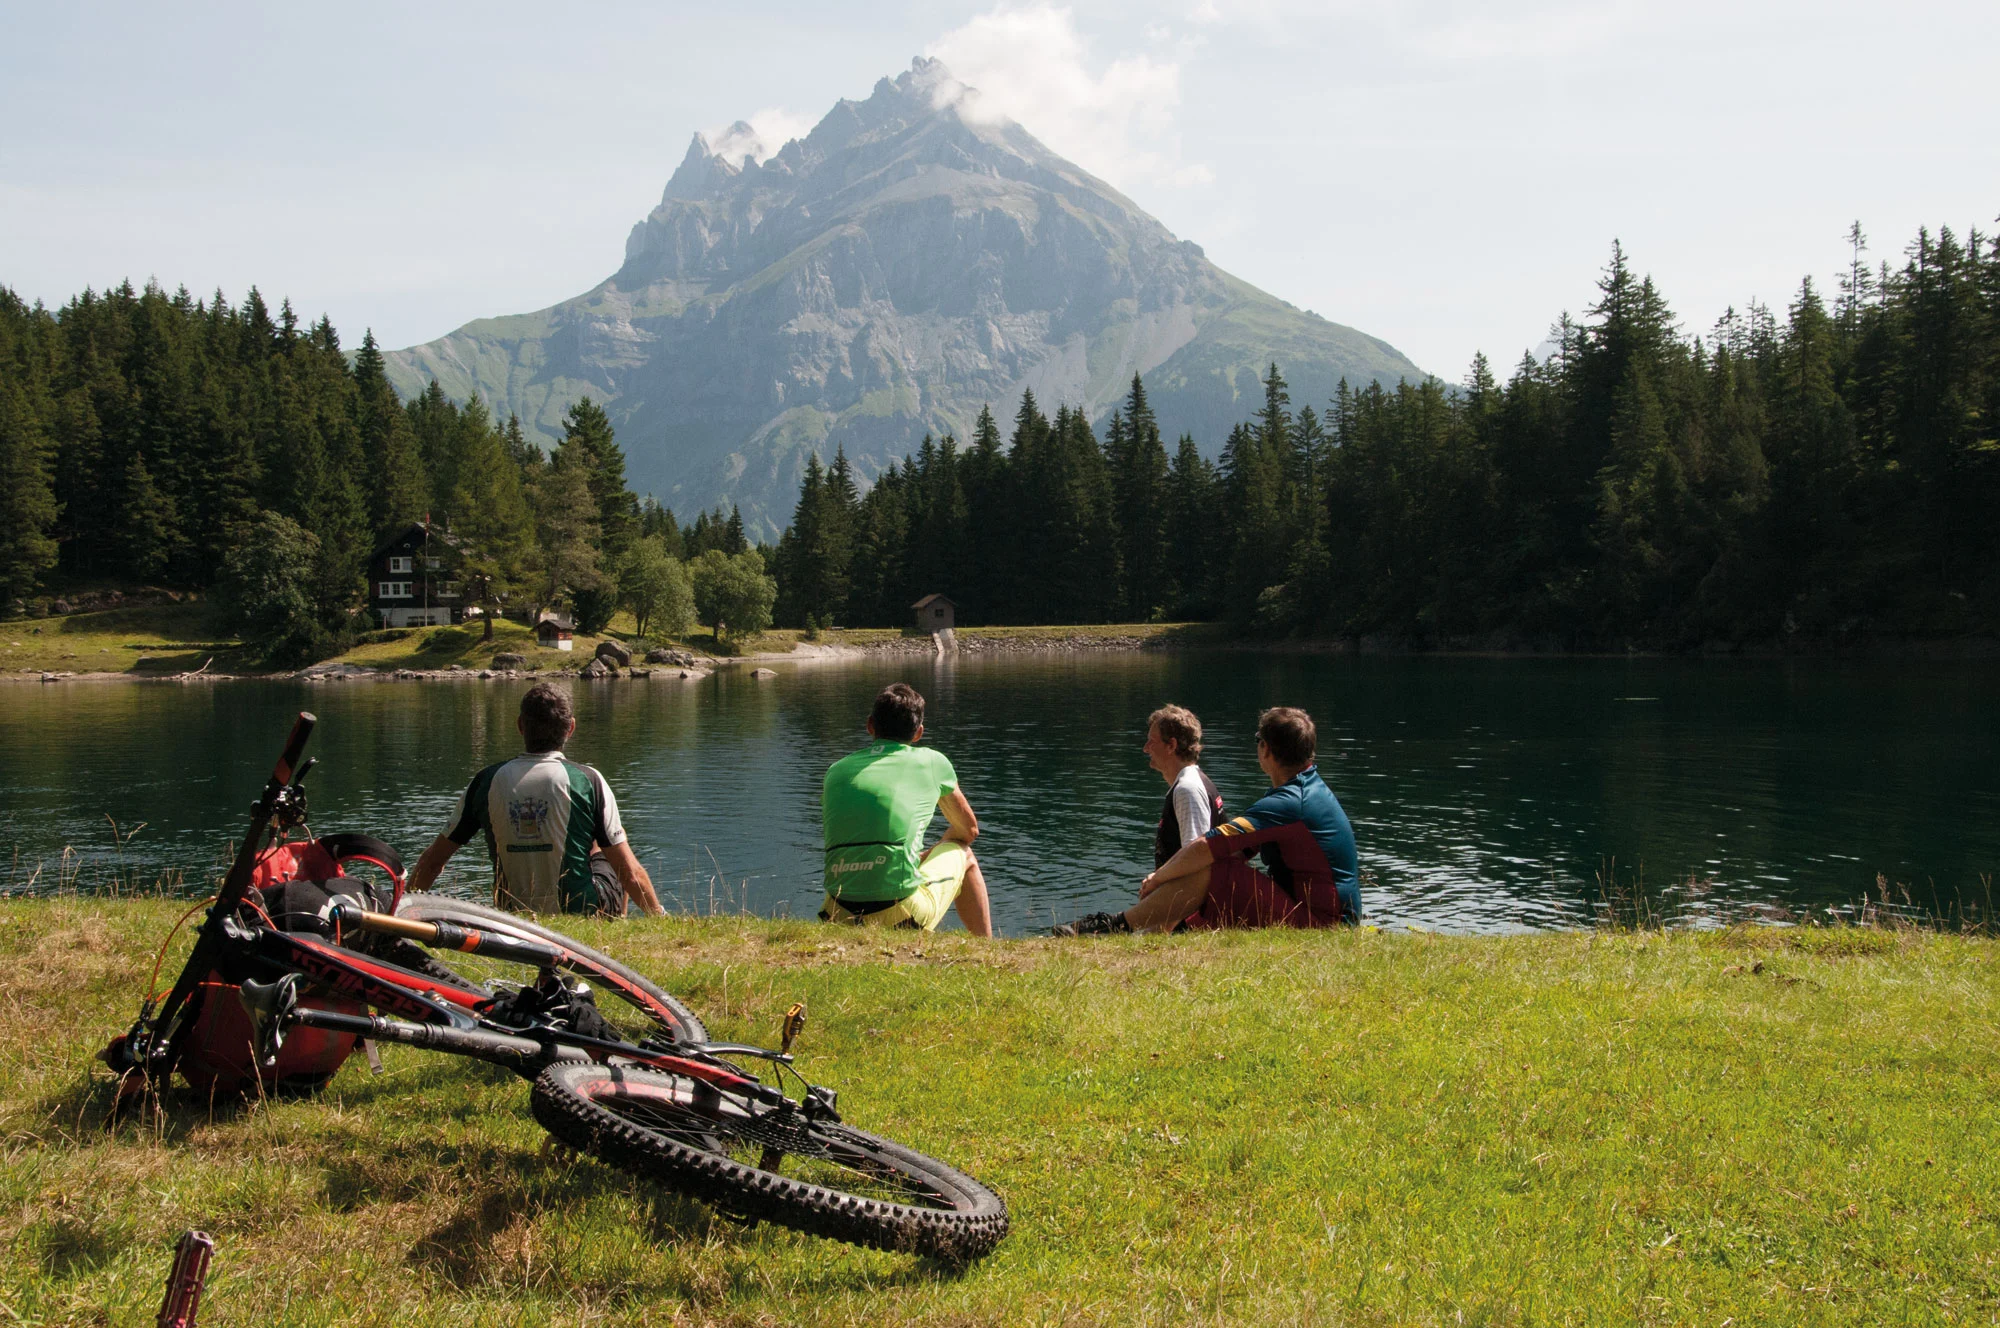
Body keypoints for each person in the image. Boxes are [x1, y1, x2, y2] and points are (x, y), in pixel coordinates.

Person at [1056, 706, 1358, 935]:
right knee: (1219, 865)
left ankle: (1115, 926)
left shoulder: (1291, 802)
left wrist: (1158, 878)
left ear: (1265, 748)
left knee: (1213, 865)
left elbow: (1206, 847)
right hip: (1322, 916)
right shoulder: (1302, 791)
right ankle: (1156, 928)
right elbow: (1243, 847)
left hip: (1324, 926)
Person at [406, 681, 665, 917]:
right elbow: (629, 873)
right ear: (571, 728)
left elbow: (433, 862)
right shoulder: (588, 780)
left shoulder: (485, 781)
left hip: (510, 913)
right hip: (582, 910)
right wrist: (658, 916)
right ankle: (614, 924)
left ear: (520, 725)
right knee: (605, 844)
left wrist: (401, 910)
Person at [820, 682, 993, 936]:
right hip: (899, 915)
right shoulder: (932, 762)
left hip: (835, 913)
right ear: (918, 733)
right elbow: (969, 830)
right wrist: (931, 853)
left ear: (870, 725)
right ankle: (986, 950)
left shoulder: (836, 770)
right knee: (964, 855)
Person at [1144, 704, 1224, 869]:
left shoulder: (1187, 789)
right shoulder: (1193, 782)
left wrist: (1157, 880)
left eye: (1152, 741)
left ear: (1171, 746)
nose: (1146, 749)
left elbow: (1195, 861)